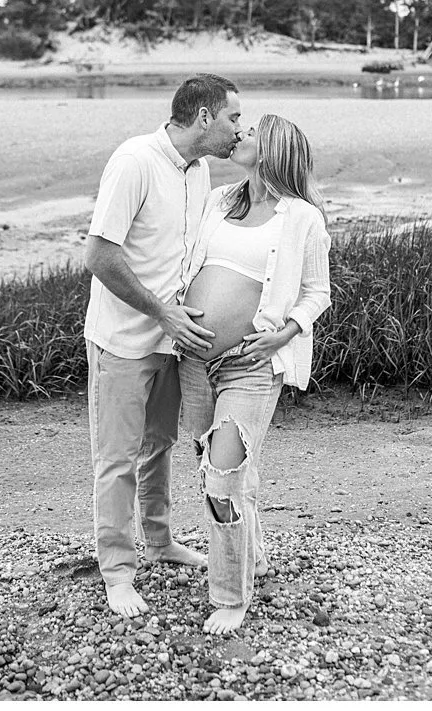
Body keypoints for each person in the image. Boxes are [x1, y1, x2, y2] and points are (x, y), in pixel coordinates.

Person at [83, 73, 242, 617]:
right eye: (233, 119)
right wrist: (161, 313)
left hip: (174, 344)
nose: (237, 129)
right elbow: (100, 256)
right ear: (204, 118)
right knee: (118, 458)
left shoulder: (199, 170)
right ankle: (117, 572)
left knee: (159, 447)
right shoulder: (135, 160)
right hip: (125, 341)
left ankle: (159, 541)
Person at [177, 113, 332, 634]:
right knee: (217, 474)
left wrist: (284, 334)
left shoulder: (303, 218)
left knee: (222, 479)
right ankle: (253, 558)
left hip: (250, 365)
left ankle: (230, 595)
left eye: (250, 134)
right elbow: (189, 265)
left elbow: (317, 294)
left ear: (272, 152)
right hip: (195, 362)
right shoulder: (221, 201)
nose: (239, 137)